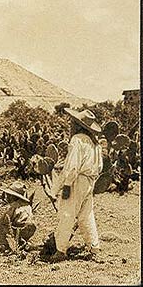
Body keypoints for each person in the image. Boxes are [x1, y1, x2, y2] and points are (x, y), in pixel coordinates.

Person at [49, 108, 103, 262]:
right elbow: (99, 167)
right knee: (86, 215)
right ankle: (94, 247)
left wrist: (65, 185)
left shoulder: (77, 140)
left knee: (67, 214)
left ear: (77, 125)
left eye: (72, 122)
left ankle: (60, 250)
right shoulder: (95, 143)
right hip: (89, 181)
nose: (70, 124)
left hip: (76, 180)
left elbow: (72, 167)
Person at [0, 181, 36, 252]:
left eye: (9, 195)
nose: (7, 197)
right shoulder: (27, 205)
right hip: (30, 229)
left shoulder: (13, 206)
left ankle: (3, 245)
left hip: (19, 230)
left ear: (14, 196)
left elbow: (4, 220)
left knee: (0, 226)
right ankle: (22, 243)